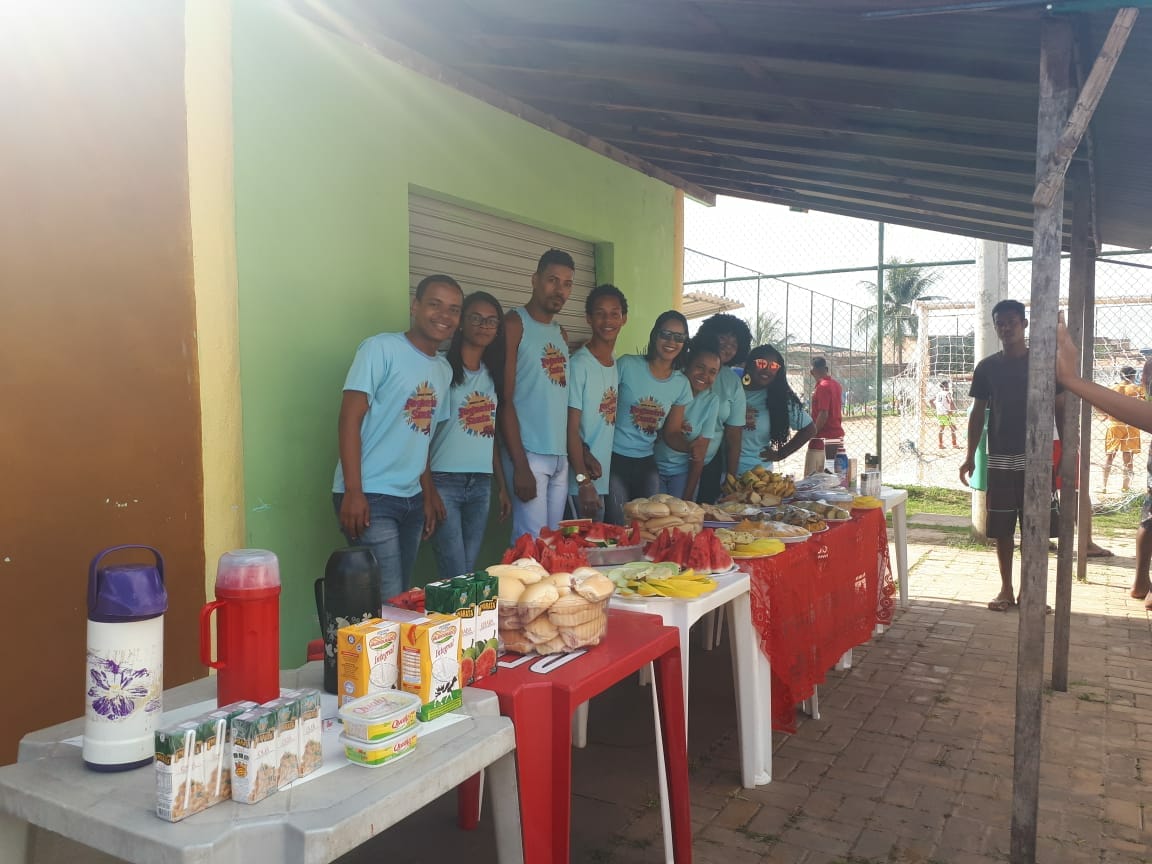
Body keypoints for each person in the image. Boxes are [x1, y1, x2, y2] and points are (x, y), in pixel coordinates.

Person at [333, 274, 461, 600]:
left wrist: (428, 493)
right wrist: (353, 491)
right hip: (371, 495)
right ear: (415, 306)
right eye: (434, 305)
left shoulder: (443, 371)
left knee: (399, 596)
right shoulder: (380, 349)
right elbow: (349, 418)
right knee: (388, 599)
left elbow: (423, 436)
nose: (444, 316)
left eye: (453, 310)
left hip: (412, 499)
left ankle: (392, 653)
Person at [959, 300, 1062, 612]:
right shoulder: (987, 368)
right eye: (1000, 324)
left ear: (1024, 325)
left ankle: (1033, 592)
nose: (1006, 328)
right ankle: (1006, 589)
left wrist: (1067, 451)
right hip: (1000, 457)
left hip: (1039, 457)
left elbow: (1061, 407)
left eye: (1012, 323)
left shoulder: (1044, 364)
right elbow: (978, 413)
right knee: (1003, 528)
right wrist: (969, 456)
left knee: (1037, 528)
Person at [1057, 322, 1152, 608]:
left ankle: (1140, 583)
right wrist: (1071, 379)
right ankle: (1140, 582)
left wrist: (1071, 378)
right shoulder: (1134, 385)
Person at [424, 291, 510, 581]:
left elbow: (491, 434)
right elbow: (423, 433)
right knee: (455, 573)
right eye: (476, 318)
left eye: (491, 321)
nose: (484, 325)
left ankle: (457, 625)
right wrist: (428, 490)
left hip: (481, 483)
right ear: (461, 323)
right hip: (444, 481)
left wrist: (501, 484)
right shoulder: (442, 369)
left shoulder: (492, 374)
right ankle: (449, 625)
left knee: (467, 570)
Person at [499, 249, 574, 540]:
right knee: (530, 547)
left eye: (567, 284)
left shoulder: (561, 333)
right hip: (528, 454)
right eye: (553, 280)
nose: (560, 290)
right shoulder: (515, 324)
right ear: (534, 280)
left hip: (559, 457)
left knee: (553, 546)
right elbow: (504, 399)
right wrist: (519, 465)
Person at [606, 311, 692, 522]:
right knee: (618, 526)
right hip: (614, 459)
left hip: (646, 463)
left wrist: (693, 448)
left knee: (647, 528)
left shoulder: (680, 384)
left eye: (679, 337)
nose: (672, 341)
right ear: (655, 335)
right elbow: (603, 407)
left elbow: (671, 432)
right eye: (666, 334)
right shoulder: (627, 365)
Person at [567, 284, 627, 519]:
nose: (607, 320)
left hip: (599, 483)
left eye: (614, 313)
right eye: (600, 313)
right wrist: (582, 481)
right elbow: (569, 429)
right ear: (589, 319)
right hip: (579, 485)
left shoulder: (613, 363)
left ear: (624, 319)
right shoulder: (580, 364)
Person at [693, 314, 752, 503]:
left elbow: (734, 435)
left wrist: (731, 479)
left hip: (710, 461)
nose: (728, 346)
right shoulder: (684, 368)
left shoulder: (732, 382)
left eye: (735, 343)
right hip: (672, 460)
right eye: (723, 338)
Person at [655, 339, 721, 501]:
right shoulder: (671, 385)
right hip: (651, 469)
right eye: (700, 367)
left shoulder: (711, 401)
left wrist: (688, 497)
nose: (705, 376)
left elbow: (700, 453)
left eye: (712, 372)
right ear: (688, 365)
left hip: (681, 473)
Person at [738, 345, 816, 473]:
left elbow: (809, 429)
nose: (767, 370)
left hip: (758, 474)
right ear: (751, 364)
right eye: (762, 363)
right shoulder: (733, 388)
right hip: (721, 470)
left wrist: (781, 454)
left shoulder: (778, 397)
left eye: (774, 366)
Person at [1100, 366, 1142, 494]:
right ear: (1133, 376)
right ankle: (1125, 487)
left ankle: (1104, 486)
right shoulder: (1136, 389)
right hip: (1131, 425)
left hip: (1115, 424)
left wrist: (1105, 415)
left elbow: (1102, 405)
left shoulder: (1113, 389)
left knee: (1109, 456)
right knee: (1128, 458)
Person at [809, 356, 844, 445]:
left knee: (818, 459)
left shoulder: (822, 386)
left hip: (824, 435)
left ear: (812, 372)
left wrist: (813, 433)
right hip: (836, 433)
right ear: (826, 369)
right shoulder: (836, 384)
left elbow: (823, 413)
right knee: (835, 458)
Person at [932, 380, 960, 449]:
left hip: (940, 413)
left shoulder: (938, 394)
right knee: (953, 429)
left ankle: (940, 444)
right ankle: (954, 444)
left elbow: (931, 401)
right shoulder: (947, 393)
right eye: (947, 385)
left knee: (941, 429)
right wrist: (952, 410)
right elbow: (951, 401)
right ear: (944, 386)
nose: (948, 387)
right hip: (947, 413)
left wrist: (937, 408)